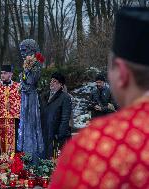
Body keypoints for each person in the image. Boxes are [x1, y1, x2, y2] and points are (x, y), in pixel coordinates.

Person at [50, 7, 149, 188]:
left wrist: (102, 109)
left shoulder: (91, 147)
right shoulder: (94, 94)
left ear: (122, 72)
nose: (98, 84)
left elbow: (112, 106)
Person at [17, 39, 44, 163]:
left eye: (24, 50)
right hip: (26, 97)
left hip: (32, 98)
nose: (22, 53)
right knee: (26, 123)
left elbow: (31, 82)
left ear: (31, 50)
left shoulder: (36, 63)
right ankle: (26, 154)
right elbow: (24, 82)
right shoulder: (27, 63)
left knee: (31, 124)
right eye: (21, 50)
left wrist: (25, 75)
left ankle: (33, 156)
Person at [0, 65, 21, 158]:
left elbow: (20, 103)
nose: (2, 75)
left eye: (5, 73)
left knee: (14, 144)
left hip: (14, 121)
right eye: (1, 73)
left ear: (11, 74)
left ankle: (15, 166)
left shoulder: (17, 87)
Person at [40, 72, 72, 159]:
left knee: (55, 159)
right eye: (51, 81)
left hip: (56, 135)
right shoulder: (44, 96)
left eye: (54, 81)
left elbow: (65, 118)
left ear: (61, 84)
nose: (51, 83)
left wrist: (60, 134)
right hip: (44, 132)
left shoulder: (65, 97)